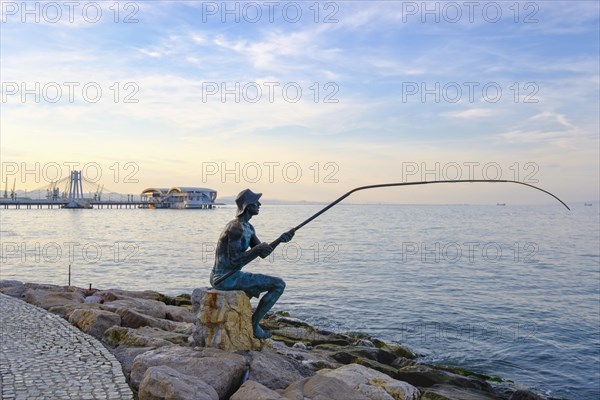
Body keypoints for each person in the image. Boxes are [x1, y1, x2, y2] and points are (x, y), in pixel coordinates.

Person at [210, 189, 294, 339]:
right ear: (248, 206)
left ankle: (253, 323)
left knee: (278, 284)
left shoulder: (248, 228)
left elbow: (263, 252)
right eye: (256, 202)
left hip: (233, 275)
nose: (259, 204)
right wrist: (257, 250)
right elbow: (234, 260)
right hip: (224, 278)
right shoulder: (236, 228)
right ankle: (254, 325)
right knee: (278, 285)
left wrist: (280, 240)